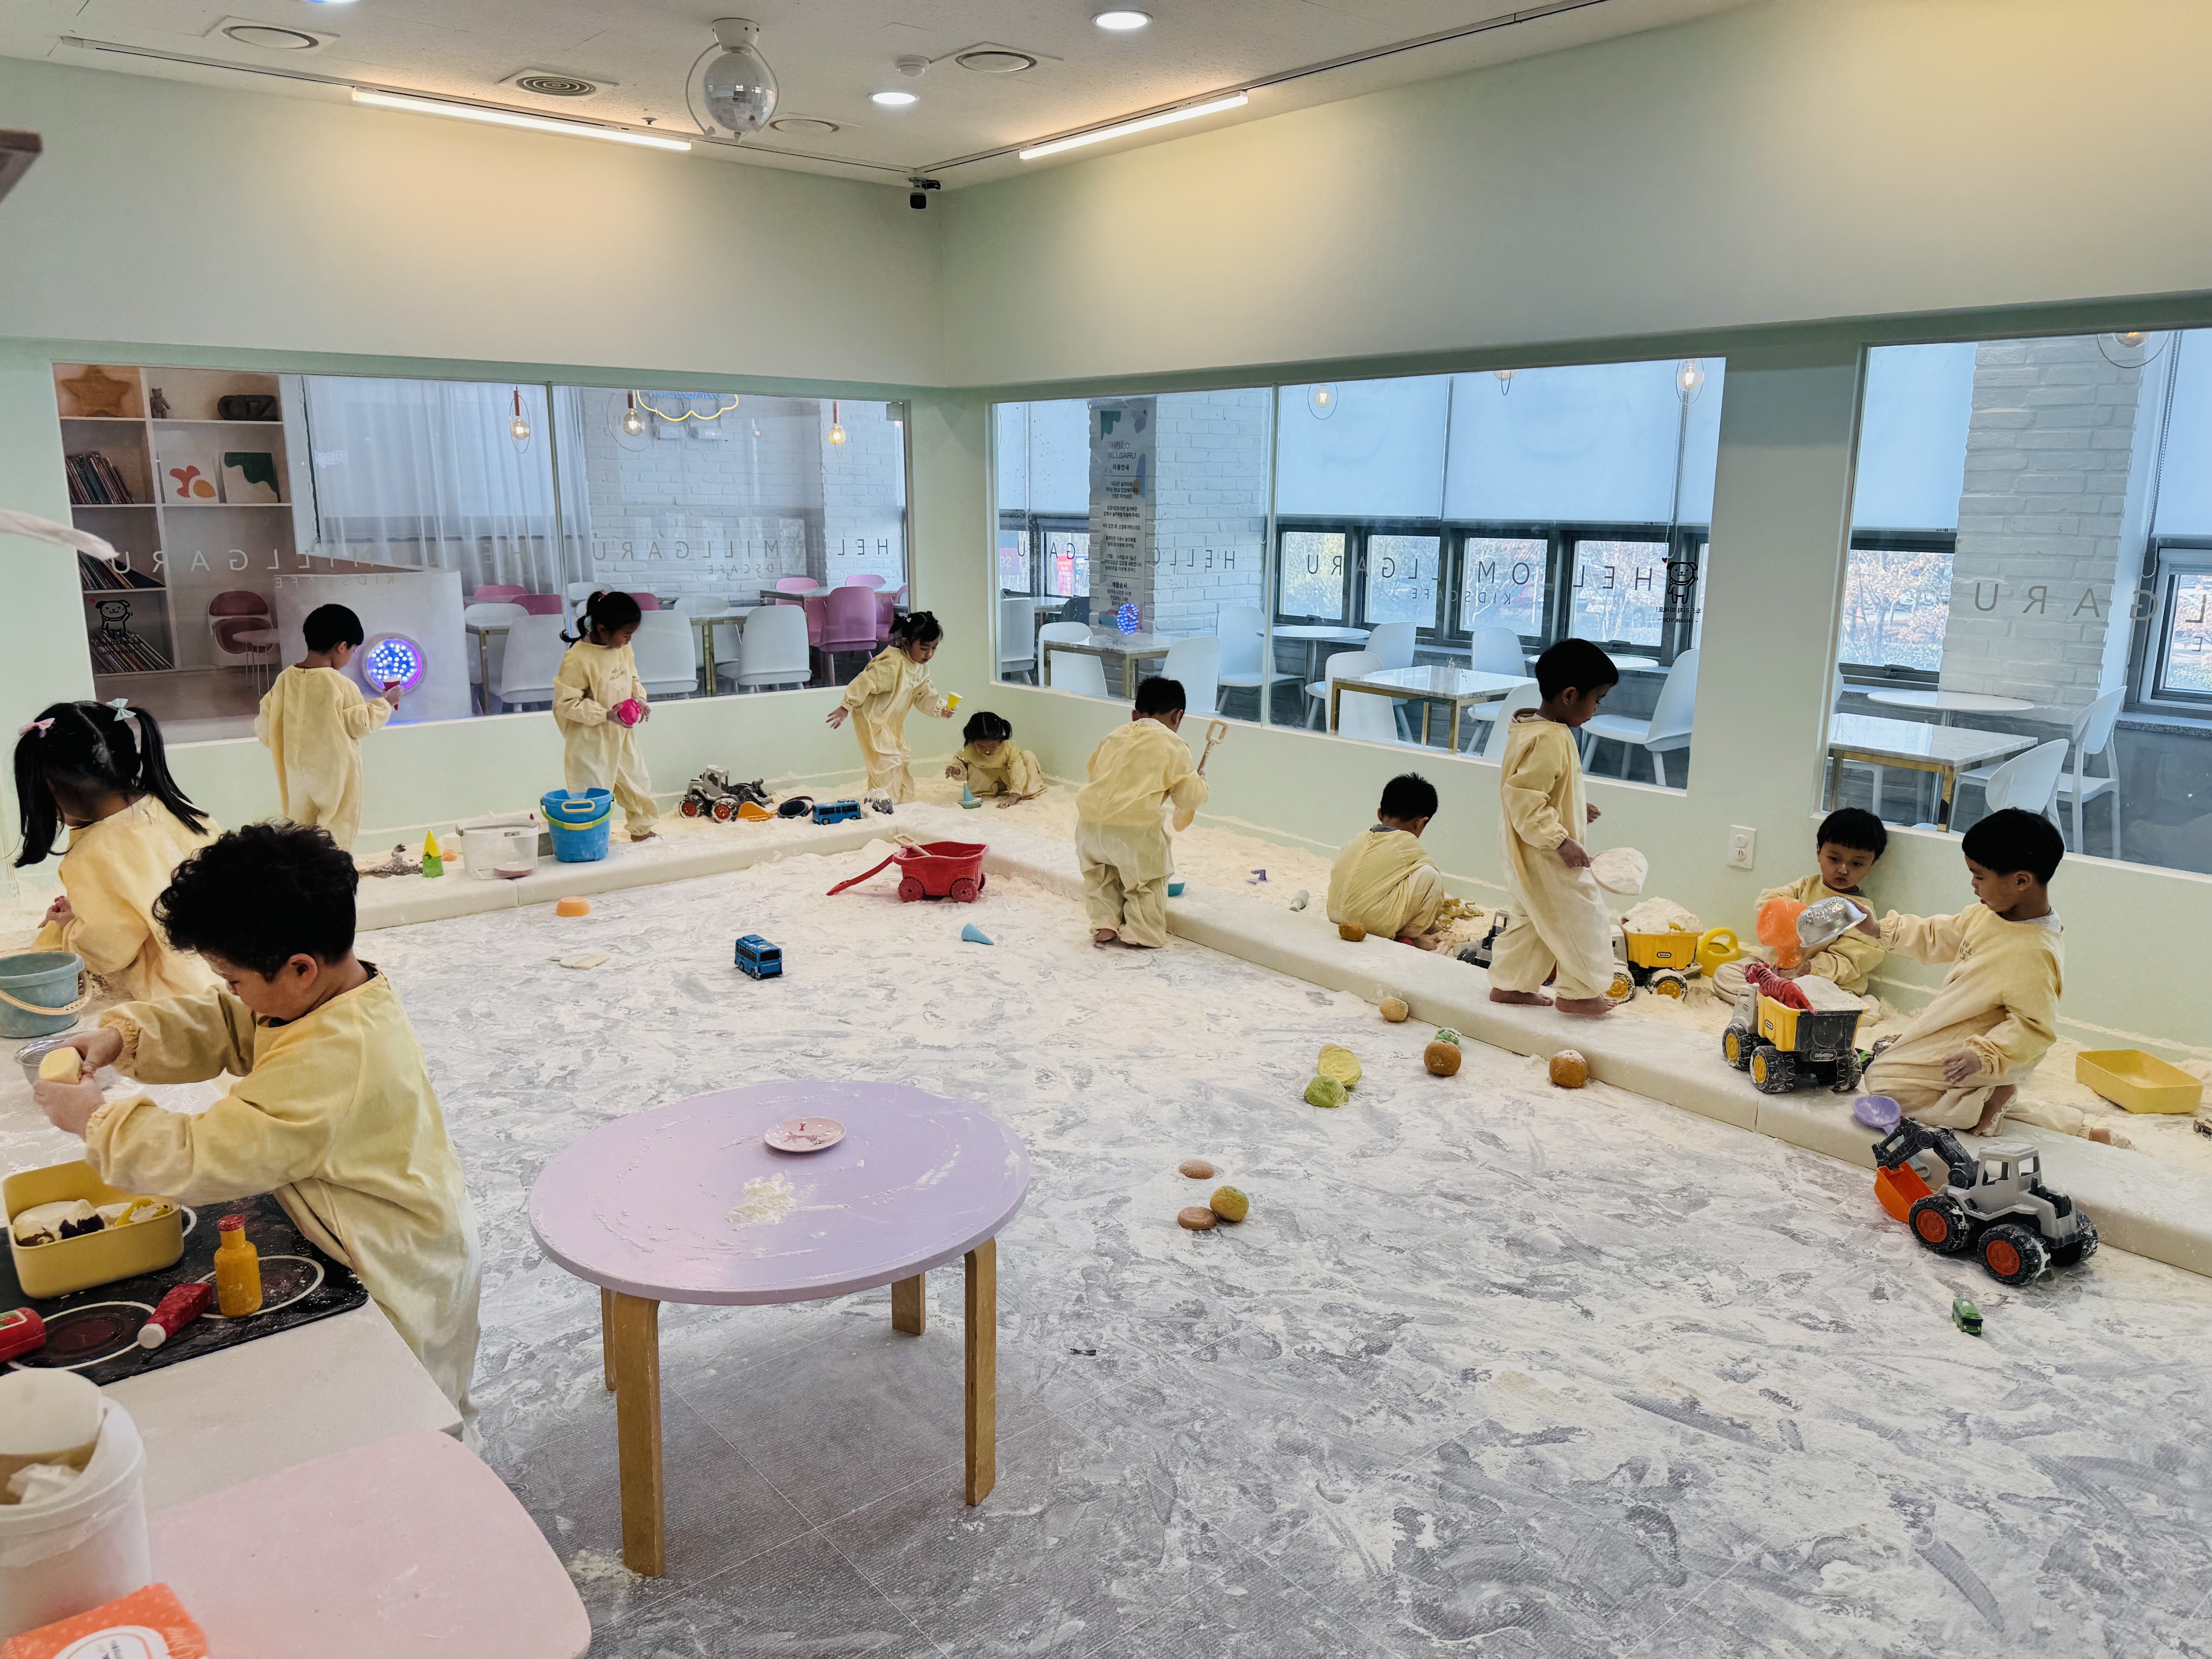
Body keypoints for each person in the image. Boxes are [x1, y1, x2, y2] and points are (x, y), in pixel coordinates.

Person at [29, 822, 482, 1415]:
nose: (233, 992)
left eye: (235, 980)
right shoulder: (326, 994)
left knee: (414, 1408)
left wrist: (95, 1121)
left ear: (300, 969)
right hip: (369, 1217)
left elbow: (205, 1157)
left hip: (394, 1262)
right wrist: (125, 1037)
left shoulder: (334, 1058)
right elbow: (229, 1020)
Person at [1854, 808, 2111, 1141]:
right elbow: (1938, 934)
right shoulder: (1988, 915)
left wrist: (1984, 1057)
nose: (1973, 885)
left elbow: (2034, 1028)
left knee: (1884, 1083)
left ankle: (1986, 1094)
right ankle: (2071, 1126)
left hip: (1981, 1049)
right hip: (1958, 1029)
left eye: (1979, 876)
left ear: (2021, 881)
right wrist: (1878, 928)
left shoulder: (2034, 951)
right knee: (1887, 1070)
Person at [16, 699, 219, 1001]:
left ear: (50, 785)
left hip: (186, 991)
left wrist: (73, 926)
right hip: (241, 964)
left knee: (51, 944)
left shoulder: (92, 853)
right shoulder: (185, 811)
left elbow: (107, 951)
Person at [1490, 639, 1620, 1017]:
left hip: (1528, 849)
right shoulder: (1549, 739)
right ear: (1570, 695)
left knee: (1533, 919)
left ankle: (1510, 985)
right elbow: (1526, 800)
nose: (1597, 709)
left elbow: (1542, 789)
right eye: (1597, 700)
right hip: (1546, 854)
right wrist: (1561, 841)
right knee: (1582, 919)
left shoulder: (1534, 729)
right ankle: (1580, 993)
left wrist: (1574, 805)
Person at [254, 603, 400, 852]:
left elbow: (266, 729)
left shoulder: (284, 680)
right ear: (342, 647)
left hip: (295, 775)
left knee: (299, 832)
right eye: (353, 650)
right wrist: (386, 702)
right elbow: (360, 723)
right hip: (334, 775)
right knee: (335, 831)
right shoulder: (340, 684)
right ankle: (334, 871)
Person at [1075, 676, 1207, 948]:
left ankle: (1104, 924)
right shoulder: (1173, 744)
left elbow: (1094, 771)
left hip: (1089, 824)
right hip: (1134, 832)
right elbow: (1188, 797)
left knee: (1099, 877)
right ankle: (1141, 932)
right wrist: (1200, 783)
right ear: (1178, 716)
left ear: (1135, 715)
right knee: (1147, 880)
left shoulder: (1113, 736)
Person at [1712, 807, 1889, 998]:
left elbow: (1849, 961)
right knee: (1725, 974)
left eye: (1857, 864)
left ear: (1872, 864)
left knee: (1833, 998)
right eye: (1834, 859)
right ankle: (1774, 997)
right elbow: (1767, 903)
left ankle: (1777, 1000)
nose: (1843, 870)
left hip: (1819, 980)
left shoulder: (1861, 913)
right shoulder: (1805, 887)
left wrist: (1807, 968)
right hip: (1774, 967)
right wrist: (1788, 917)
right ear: (1819, 852)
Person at [553, 590, 657, 843]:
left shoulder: (624, 647)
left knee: (637, 783)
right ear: (602, 629)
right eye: (626, 634)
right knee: (591, 792)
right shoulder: (578, 658)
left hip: (621, 734)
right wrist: (606, 714)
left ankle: (642, 831)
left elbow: (632, 677)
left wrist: (640, 699)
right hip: (590, 740)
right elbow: (566, 703)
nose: (629, 639)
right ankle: (589, 840)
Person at [829, 610, 951, 802]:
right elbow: (865, 681)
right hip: (873, 719)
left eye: (934, 648)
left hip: (893, 722)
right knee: (886, 763)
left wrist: (941, 708)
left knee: (902, 758)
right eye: (924, 648)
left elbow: (924, 695)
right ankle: (883, 804)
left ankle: (904, 802)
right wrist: (847, 706)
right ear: (906, 643)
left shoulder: (921, 668)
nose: (929, 654)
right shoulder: (891, 663)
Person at [1327, 772, 1448, 948]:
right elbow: (1435, 892)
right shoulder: (1407, 842)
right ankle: (1407, 935)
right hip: (1371, 925)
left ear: (1379, 814)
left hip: (1334, 915)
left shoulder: (1358, 839)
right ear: (1420, 823)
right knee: (1430, 874)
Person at [945, 710, 1044, 805]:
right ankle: (984, 794)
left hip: (1010, 782)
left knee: (1027, 755)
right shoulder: (970, 750)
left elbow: (1017, 768)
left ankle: (1028, 792)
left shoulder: (1008, 747)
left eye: (992, 746)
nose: (987, 751)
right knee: (972, 766)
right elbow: (958, 760)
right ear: (973, 741)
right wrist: (957, 770)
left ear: (1000, 737)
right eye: (981, 746)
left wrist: (1016, 792)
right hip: (987, 786)